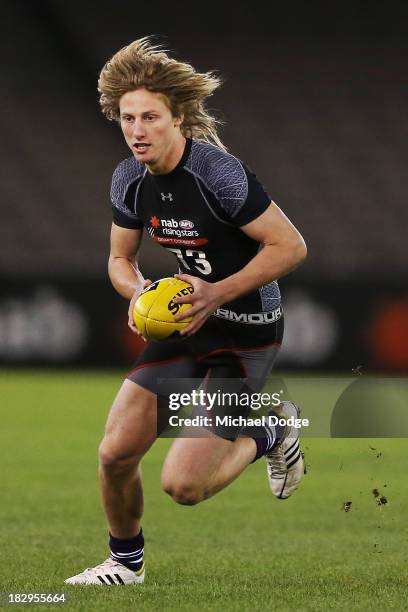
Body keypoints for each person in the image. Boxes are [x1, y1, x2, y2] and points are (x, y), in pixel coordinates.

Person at [65, 37, 307, 586]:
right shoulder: (128, 177)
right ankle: (125, 565)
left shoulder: (217, 173)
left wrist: (216, 293)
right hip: (183, 325)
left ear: (178, 117)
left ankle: (269, 432)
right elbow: (119, 260)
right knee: (115, 454)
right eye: (128, 118)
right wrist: (139, 294)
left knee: (184, 487)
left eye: (150, 116)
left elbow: (290, 247)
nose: (137, 130)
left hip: (245, 333)